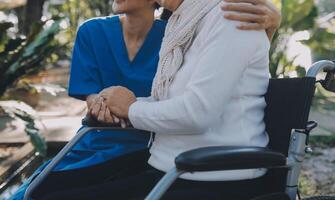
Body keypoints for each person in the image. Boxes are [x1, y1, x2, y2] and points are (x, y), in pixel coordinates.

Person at [10, 0, 281, 199]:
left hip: (202, 171)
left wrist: (130, 107)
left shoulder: (229, 18)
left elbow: (199, 111)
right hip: (162, 159)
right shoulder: (183, 24)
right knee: (43, 190)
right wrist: (116, 103)